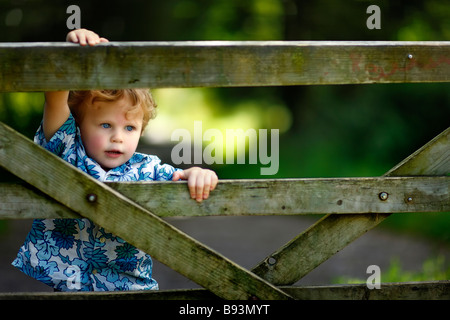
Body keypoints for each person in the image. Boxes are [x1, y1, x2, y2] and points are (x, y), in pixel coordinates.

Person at [12, 29, 218, 292]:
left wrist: (199, 173)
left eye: (129, 128)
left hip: (129, 288)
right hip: (70, 286)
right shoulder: (66, 150)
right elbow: (54, 96)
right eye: (106, 124)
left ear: (141, 129)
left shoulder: (146, 167)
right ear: (79, 124)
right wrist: (70, 51)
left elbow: (181, 176)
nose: (118, 138)